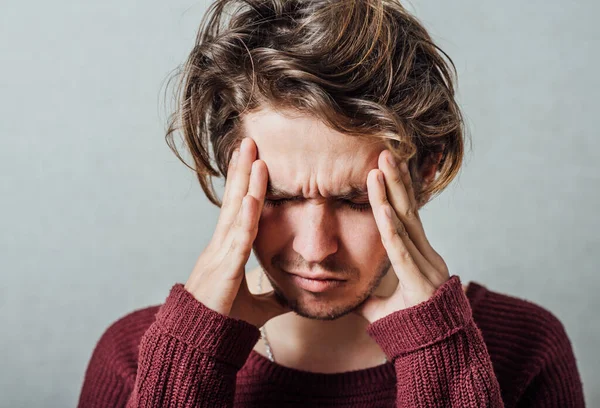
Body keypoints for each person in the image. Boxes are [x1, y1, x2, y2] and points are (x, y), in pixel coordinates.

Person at [77, 0, 586, 407]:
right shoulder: (133, 357)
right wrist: (190, 358)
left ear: (425, 168)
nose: (316, 248)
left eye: (355, 200)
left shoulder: (525, 350)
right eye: (278, 196)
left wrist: (440, 351)